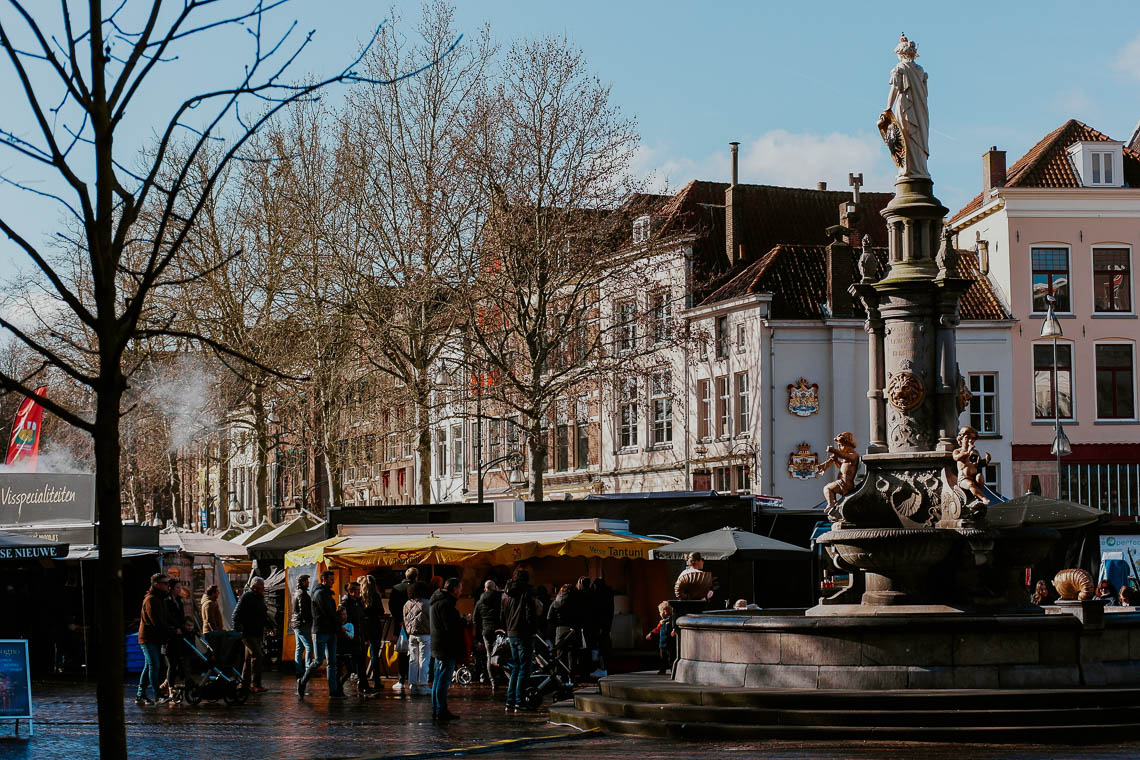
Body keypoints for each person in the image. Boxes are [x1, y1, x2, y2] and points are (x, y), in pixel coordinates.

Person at [299, 570, 344, 699]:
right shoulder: (319, 593)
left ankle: (333, 691)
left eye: (333, 579)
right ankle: (302, 682)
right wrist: (338, 623)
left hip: (330, 631)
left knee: (332, 662)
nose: (333, 581)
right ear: (323, 579)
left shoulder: (326, 593)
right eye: (330, 579)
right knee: (318, 661)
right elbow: (328, 612)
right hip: (321, 631)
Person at [500, 568, 537, 713]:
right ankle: (519, 701)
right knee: (524, 668)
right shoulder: (527, 592)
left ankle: (510, 701)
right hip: (524, 633)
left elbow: (502, 614)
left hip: (511, 632)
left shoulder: (506, 594)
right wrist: (533, 630)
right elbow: (530, 613)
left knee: (515, 667)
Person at [429, 577, 464, 722]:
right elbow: (450, 627)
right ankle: (441, 710)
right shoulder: (446, 604)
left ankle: (437, 709)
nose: (461, 591)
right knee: (443, 680)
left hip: (438, 644)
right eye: (460, 588)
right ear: (454, 589)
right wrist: (462, 621)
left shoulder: (437, 602)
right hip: (445, 646)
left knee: (438, 679)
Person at [136, 573, 175, 705]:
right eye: (165, 584)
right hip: (148, 638)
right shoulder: (151, 600)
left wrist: (178, 626)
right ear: (157, 584)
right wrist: (171, 631)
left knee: (149, 666)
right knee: (154, 665)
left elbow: (167, 618)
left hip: (154, 638)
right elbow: (156, 621)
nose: (168, 586)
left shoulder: (160, 599)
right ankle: (158, 695)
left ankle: (140, 695)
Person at [232, 577, 273, 693]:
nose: (263, 588)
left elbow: (263, 615)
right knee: (257, 655)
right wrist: (238, 631)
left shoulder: (259, 598)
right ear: (255, 587)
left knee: (249, 658)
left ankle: (244, 683)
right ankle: (255, 684)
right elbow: (236, 615)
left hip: (256, 632)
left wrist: (269, 626)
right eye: (262, 586)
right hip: (248, 633)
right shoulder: (246, 597)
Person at [389, 567, 418, 692]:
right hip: (416, 625)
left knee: (402, 651)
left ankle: (401, 679)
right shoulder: (418, 588)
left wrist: (399, 619)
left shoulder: (396, 588)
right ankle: (413, 680)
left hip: (400, 624)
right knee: (415, 652)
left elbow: (391, 606)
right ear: (416, 577)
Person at [473, 580, 503, 689]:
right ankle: (502, 677)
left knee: (489, 655)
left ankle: (493, 681)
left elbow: (475, 619)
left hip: (486, 631)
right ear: (495, 588)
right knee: (501, 654)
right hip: (500, 630)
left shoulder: (480, 602)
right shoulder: (500, 598)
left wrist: (482, 629)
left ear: (485, 589)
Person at [342, 581, 370, 694]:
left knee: (361, 661)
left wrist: (365, 637)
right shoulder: (346, 604)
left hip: (359, 636)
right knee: (351, 665)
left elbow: (362, 621)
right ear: (351, 591)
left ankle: (364, 684)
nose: (360, 593)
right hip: (351, 637)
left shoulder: (358, 603)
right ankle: (340, 685)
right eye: (358, 591)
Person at [403, 581, 431, 694]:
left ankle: (412, 684)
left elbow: (405, 620)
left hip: (411, 635)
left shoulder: (407, 604)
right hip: (425, 635)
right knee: (424, 659)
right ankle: (423, 684)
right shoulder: (427, 603)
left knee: (413, 660)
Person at [359, 575, 385, 694]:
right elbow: (381, 611)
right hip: (374, 626)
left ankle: (362, 679)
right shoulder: (376, 596)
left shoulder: (360, 597)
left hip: (363, 627)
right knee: (375, 654)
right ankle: (376, 680)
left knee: (362, 655)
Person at [589, 577, 614, 678]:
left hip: (599, 624)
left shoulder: (598, 595)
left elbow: (597, 610)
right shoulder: (608, 594)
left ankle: (601, 668)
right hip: (606, 624)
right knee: (605, 646)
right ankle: (605, 668)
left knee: (599, 647)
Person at [291, 574, 314, 677]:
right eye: (307, 581)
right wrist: (308, 621)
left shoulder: (296, 592)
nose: (308, 582)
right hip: (302, 623)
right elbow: (303, 611)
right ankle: (308, 670)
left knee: (299, 648)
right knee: (309, 646)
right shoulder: (302, 594)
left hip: (296, 623)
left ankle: (299, 671)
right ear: (303, 582)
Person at [646, 602, 675, 675]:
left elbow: (675, 627)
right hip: (662, 644)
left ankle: (673, 670)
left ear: (665, 612)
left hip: (670, 644)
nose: (659, 614)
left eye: (660, 612)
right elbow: (657, 629)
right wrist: (651, 634)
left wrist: (674, 631)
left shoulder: (671, 621)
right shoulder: (661, 622)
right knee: (663, 659)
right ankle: (662, 670)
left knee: (671, 658)